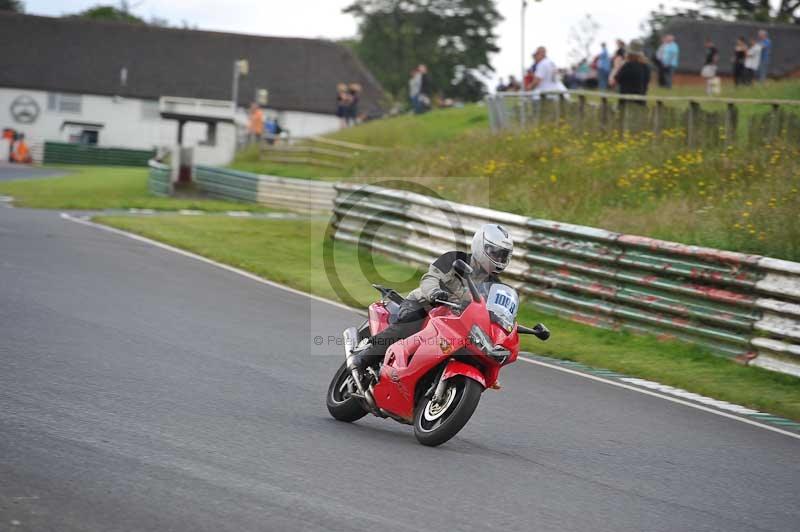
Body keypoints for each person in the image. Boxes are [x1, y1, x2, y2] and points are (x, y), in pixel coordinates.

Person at [347, 224, 514, 373]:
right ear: (480, 245)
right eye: (495, 253)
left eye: (503, 255)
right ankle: (364, 357)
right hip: (426, 305)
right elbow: (430, 278)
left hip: (454, 321)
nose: (499, 259)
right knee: (411, 324)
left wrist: (503, 321)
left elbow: (490, 311)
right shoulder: (454, 258)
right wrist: (434, 292)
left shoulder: (494, 286)